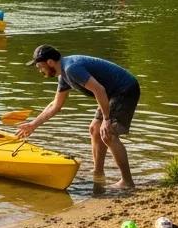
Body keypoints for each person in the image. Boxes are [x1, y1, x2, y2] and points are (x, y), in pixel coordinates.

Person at [18, 45, 139, 189]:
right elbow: (56, 105)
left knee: (108, 133)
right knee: (95, 129)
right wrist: (33, 124)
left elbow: (99, 89)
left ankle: (127, 182)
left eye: (39, 66)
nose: (39, 70)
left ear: (50, 62)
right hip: (111, 92)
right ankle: (98, 172)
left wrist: (106, 120)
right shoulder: (64, 75)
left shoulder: (71, 69)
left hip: (124, 89)